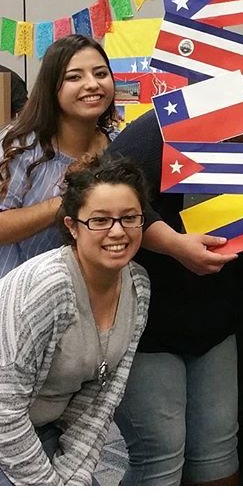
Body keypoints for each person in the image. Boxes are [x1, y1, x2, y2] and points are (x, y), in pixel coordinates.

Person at [108, 59, 243, 486]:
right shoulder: (176, 128)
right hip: (148, 329)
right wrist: (174, 245)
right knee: (161, 457)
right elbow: (110, 189)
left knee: (217, 457)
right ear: (238, 103)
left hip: (214, 334)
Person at [0, 154, 150, 485]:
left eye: (129, 218)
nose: (117, 232)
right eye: (99, 220)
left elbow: (100, 402)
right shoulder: (47, 287)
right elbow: (3, 411)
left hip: (43, 427)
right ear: (72, 226)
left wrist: (73, 479)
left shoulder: (138, 284)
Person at [0, 35, 117, 279]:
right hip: (17, 295)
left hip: (88, 294)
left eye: (101, 74)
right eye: (75, 77)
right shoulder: (19, 144)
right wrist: (67, 202)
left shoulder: (118, 144)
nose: (92, 84)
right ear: (51, 87)